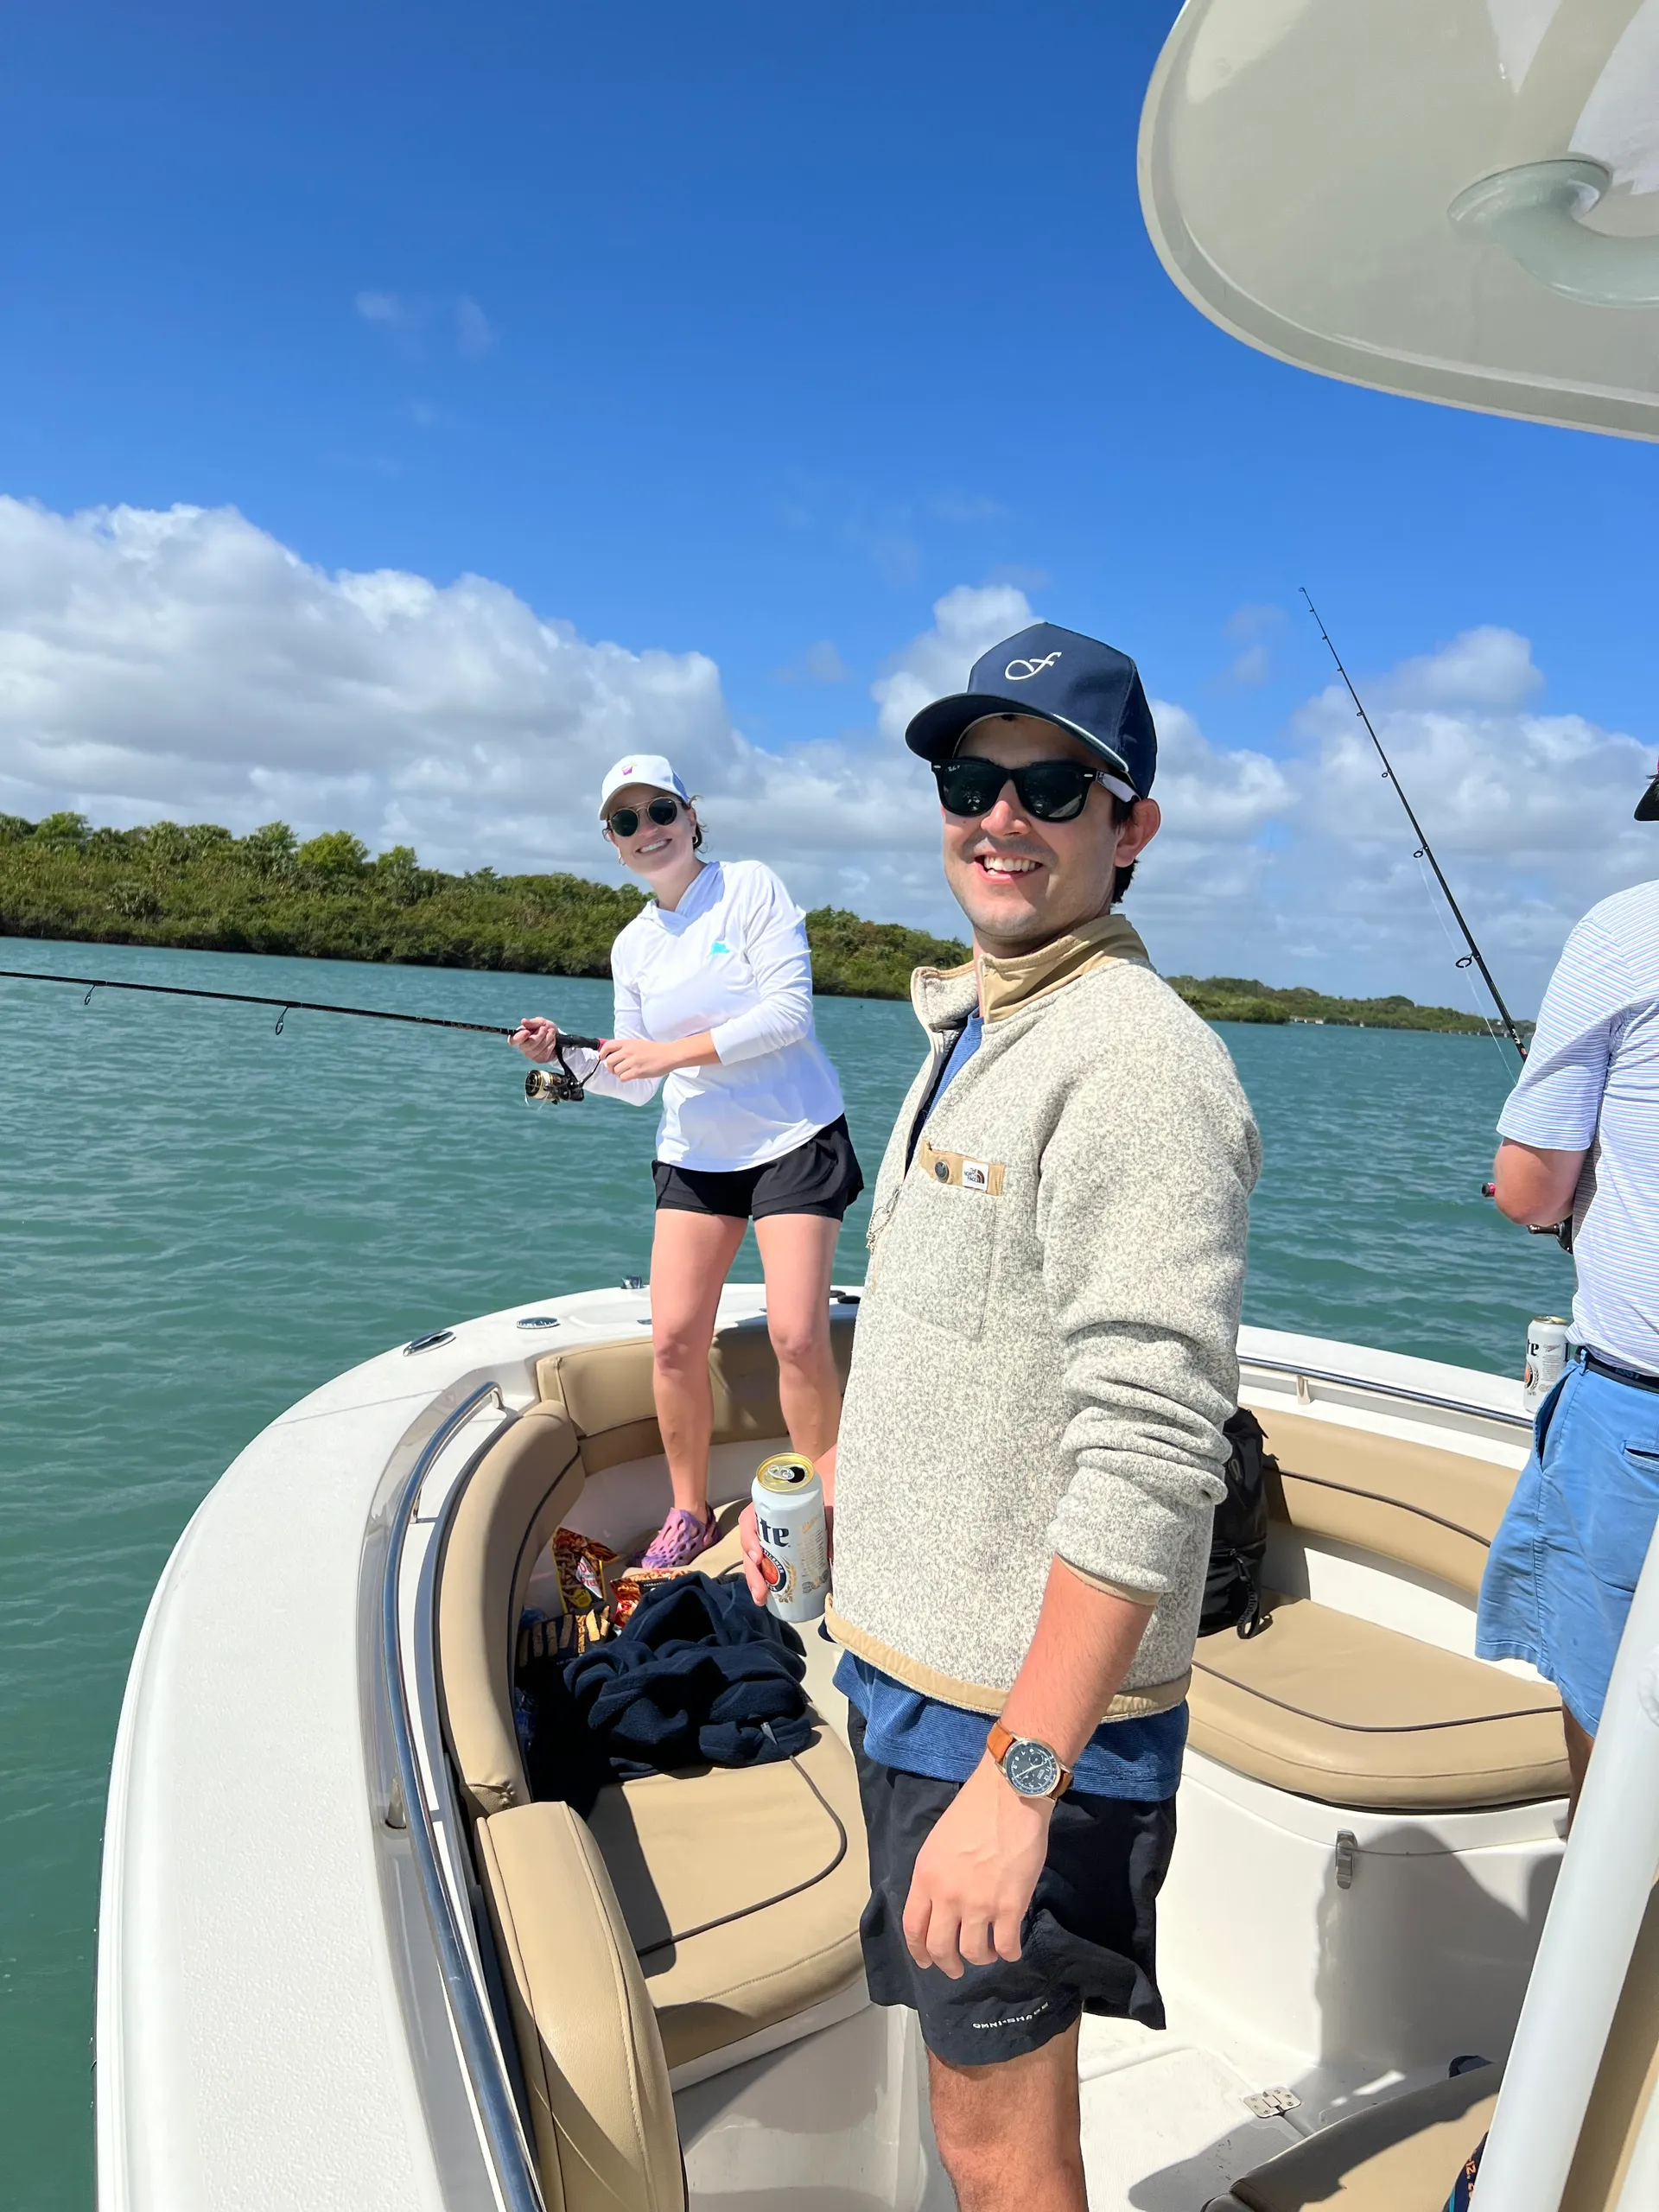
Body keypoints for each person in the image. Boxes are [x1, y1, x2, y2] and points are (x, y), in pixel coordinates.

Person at [741, 624, 1260, 2212]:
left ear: (1132, 828)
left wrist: (1021, 1786)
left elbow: (1155, 1452)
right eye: (974, 780)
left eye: (1053, 787)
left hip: (1008, 1724)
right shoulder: (976, 1027)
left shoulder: (1141, 1069)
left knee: (999, 2147)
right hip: (910, 1672)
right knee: (976, 2119)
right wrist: (833, 1535)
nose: (1001, 818)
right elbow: (952, 1358)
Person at [514, 753, 863, 1570]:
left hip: (794, 1138)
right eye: (626, 822)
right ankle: (686, 1509)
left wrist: (666, 1053)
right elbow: (636, 1083)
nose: (648, 831)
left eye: (660, 811)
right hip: (698, 1154)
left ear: (691, 814)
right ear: (611, 839)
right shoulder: (632, 943)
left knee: (797, 1335)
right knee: (671, 1340)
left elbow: (788, 1015)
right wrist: (567, 1057)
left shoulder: (749, 889)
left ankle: (822, 1510)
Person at [1479, 809, 1659, 1813]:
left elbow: (1530, 1188)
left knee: (1622, 1769)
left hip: (1641, 1423)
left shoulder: (1628, 931)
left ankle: (1615, 1966)